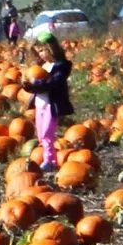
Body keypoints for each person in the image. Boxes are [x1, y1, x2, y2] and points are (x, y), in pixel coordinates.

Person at [22, 36, 74, 169]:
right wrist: (27, 85)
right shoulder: (42, 66)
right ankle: (48, 157)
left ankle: (50, 161)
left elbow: (52, 83)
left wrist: (36, 82)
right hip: (40, 105)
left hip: (52, 105)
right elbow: (36, 87)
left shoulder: (60, 67)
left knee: (47, 134)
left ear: (51, 49)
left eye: (43, 50)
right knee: (40, 135)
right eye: (38, 51)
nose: (41, 54)